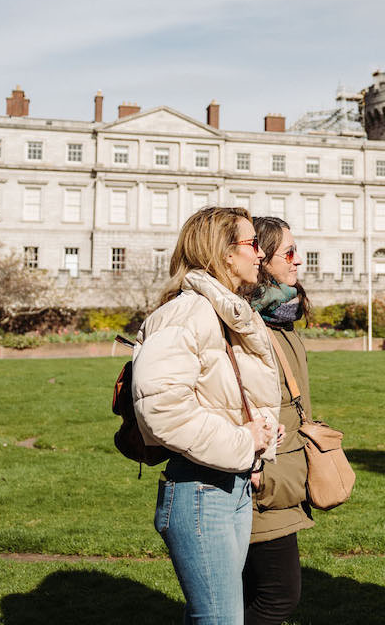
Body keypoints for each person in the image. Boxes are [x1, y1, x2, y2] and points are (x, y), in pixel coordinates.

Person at [132, 206, 283, 624]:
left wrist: (261, 433)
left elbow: (220, 394)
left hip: (227, 487)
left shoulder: (222, 312)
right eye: (252, 244)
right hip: (199, 493)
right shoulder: (187, 312)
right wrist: (243, 441)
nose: (259, 254)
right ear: (223, 253)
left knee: (216, 616)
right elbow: (160, 407)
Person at [242, 216, 315, 625]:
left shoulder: (280, 316)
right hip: (262, 478)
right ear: (262, 259)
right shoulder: (250, 322)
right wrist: (257, 471)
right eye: (288, 252)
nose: (298, 260)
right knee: (277, 598)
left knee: (251, 594)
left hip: (280, 475)